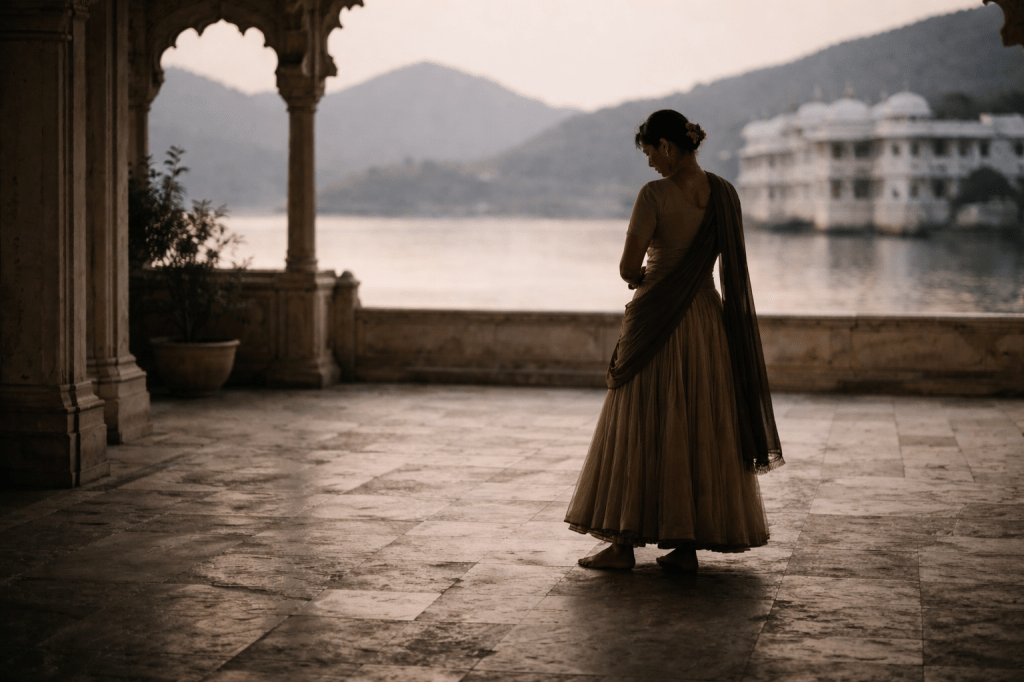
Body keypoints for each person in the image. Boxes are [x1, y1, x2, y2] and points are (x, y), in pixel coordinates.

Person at [563, 109, 784, 571]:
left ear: (665, 145)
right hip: (706, 320)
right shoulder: (725, 194)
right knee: (699, 424)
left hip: (658, 320)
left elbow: (627, 267)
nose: (649, 164)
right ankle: (685, 548)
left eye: (649, 153)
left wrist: (645, 278)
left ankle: (622, 544)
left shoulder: (655, 195)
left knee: (639, 421)